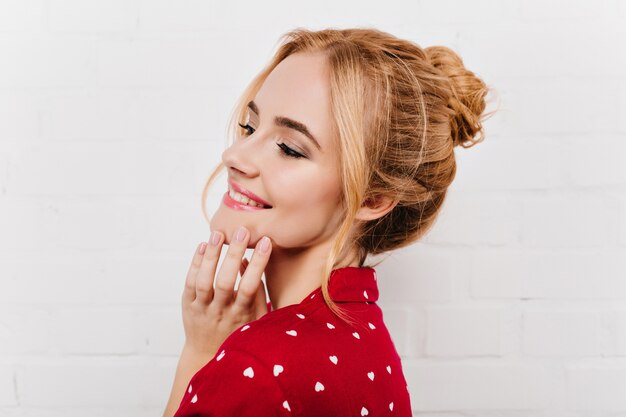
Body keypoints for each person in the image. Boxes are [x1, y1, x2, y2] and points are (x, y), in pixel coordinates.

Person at [162, 27, 494, 417]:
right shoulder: (365, 336)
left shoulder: (258, 368)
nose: (234, 154)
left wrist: (201, 353)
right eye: (249, 127)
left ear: (373, 198)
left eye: (289, 148)